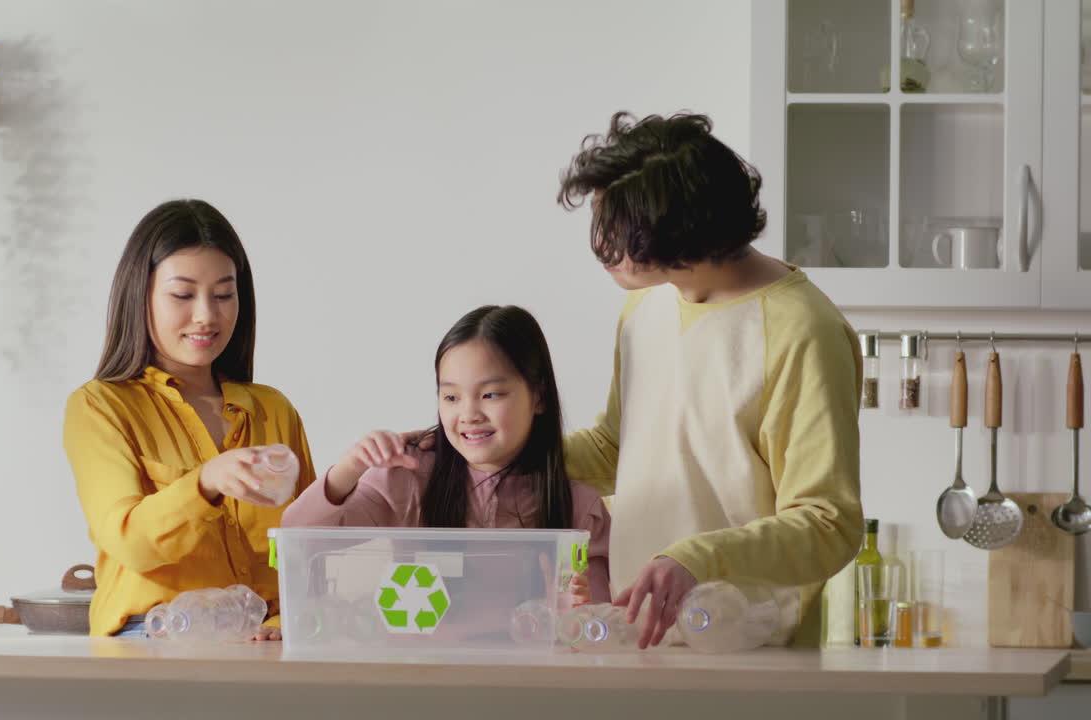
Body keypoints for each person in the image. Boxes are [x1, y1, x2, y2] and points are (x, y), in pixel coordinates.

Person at [556, 111, 863, 648]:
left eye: (620, 231)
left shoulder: (801, 329)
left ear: (683, 235)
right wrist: (491, 451)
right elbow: (615, 449)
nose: (602, 244)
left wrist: (697, 557)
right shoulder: (645, 303)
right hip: (642, 638)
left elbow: (828, 524)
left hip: (755, 650)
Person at [64, 199, 315, 639]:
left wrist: (286, 618)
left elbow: (308, 546)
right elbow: (130, 541)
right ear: (139, 295)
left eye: (223, 295)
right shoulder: (101, 407)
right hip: (152, 636)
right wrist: (205, 483)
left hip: (267, 637)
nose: (207, 315)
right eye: (182, 295)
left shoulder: (272, 409)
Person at [283, 304, 611, 605]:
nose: (469, 414)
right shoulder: (408, 478)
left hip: (532, 670)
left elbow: (598, 630)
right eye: (451, 397)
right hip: (423, 668)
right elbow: (297, 542)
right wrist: (351, 466)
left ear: (538, 397)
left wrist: (578, 615)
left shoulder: (579, 509)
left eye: (490, 394)